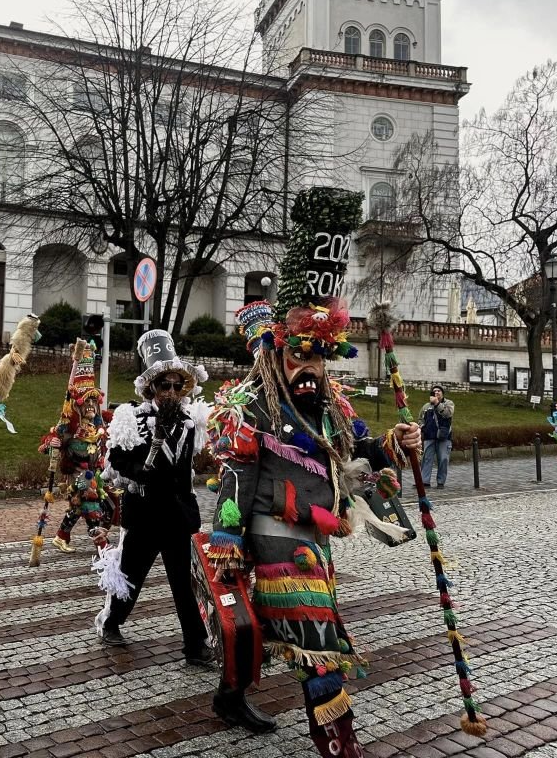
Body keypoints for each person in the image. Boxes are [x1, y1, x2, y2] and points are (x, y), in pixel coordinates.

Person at [206, 298, 421, 753]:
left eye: (319, 357)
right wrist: (226, 546)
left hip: (319, 543)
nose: (310, 367)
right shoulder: (253, 409)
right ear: (276, 356)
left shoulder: (331, 406)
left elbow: (358, 450)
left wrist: (395, 441)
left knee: (267, 632)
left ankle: (229, 695)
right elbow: (235, 478)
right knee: (320, 646)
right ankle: (340, 747)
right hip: (275, 540)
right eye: (299, 355)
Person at [95, 329, 213, 667]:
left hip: (178, 516)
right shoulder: (131, 419)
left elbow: (188, 466)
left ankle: (195, 646)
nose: (172, 391)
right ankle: (111, 622)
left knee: (185, 584)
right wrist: (142, 469)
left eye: (178, 385)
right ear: (151, 388)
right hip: (145, 515)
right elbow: (116, 459)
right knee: (130, 576)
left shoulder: (190, 423)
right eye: (165, 385)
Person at [40, 339, 117, 553]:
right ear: (78, 406)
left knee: (79, 506)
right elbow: (50, 442)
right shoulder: (69, 425)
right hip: (76, 473)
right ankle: (101, 544)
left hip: (95, 473)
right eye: (87, 402)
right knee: (90, 504)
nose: (92, 406)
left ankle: (61, 536)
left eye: (94, 402)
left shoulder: (97, 427)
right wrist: (52, 443)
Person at [420, 385, 454, 489]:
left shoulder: (449, 403)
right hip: (429, 436)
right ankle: (424, 481)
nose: (436, 393)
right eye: (434, 391)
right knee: (426, 458)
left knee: (443, 459)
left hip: (444, 437)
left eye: (439, 391)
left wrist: (437, 403)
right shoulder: (426, 406)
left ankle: (440, 482)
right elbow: (420, 419)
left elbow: (448, 414)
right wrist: (423, 427)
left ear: (442, 393)